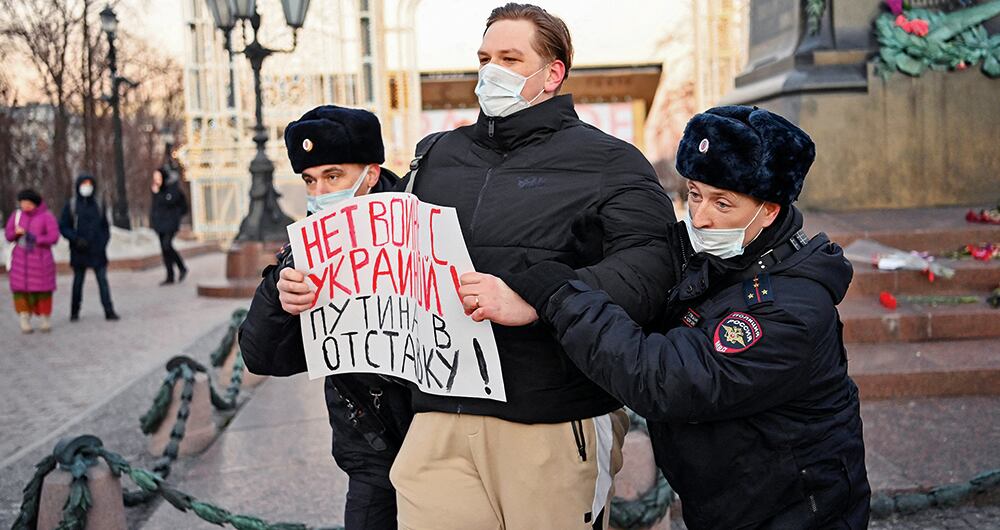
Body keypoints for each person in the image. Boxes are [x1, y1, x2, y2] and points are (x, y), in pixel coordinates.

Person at [464, 106, 871, 529]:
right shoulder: (720, 260)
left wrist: (560, 295)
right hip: (731, 501)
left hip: (795, 514)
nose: (700, 216)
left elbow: (663, 377)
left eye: (722, 202)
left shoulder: (789, 309)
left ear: (769, 210)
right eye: (694, 194)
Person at [388, 4, 680, 529]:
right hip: (440, 415)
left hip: (551, 417)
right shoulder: (437, 156)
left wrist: (541, 299)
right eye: (483, 58)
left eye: (509, 57)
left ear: (553, 73)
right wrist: (308, 283)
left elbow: (652, 267)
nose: (490, 71)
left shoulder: (610, 161)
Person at [239, 105, 413, 530]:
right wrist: (280, 292)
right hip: (368, 450)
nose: (320, 191)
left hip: (436, 445)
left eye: (333, 176)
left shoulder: (418, 225)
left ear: (370, 174)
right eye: (310, 181)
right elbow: (261, 356)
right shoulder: (304, 251)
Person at [59, 174, 119, 321]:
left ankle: (109, 310)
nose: (87, 187)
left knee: (102, 281)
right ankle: (74, 311)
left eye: (89, 183)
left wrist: (103, 242)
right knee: (78, 282)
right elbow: (63, 226)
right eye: (83, 184)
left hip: (97, 250)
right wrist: (75, 239)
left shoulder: (98, 204)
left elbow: (105, 227)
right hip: (79, 250)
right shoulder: (72, 205)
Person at [5, 189, 60, 333]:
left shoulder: (46, 217)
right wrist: (15, 233)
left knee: (43, 291)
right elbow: (8, 235)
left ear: (35, 204)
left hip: (41, 261)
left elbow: (54, 237)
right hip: (20, 262)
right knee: (20, 291)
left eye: (28, 203)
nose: (25, 206)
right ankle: (24, 318)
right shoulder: (16, 216)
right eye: (23, 203)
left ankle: (44, 318)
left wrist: (36, 238)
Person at [150, 164, 189, 285]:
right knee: (164, 249)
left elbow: (173, 202)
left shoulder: (172, 188)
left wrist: (176, 216)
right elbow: (155, 207)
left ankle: (182, 267)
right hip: (160, 223)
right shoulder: (157, 189)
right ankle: (170, 275)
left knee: (167, 245)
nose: (156, 180)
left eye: (158, 177)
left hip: (170, 223)